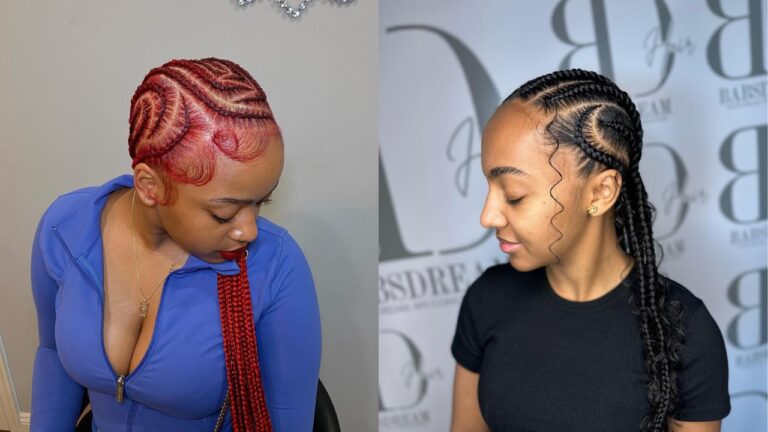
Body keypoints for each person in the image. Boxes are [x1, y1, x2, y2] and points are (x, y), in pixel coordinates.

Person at [30, 58, 321, 431]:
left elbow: (287, 422)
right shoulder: (65, 230)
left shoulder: (276, 264)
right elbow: (53, 354)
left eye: (261, 202)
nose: (249, 231)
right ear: (150, 186)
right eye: (224, 213)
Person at [450, 69, 730, 432]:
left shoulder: (686, 332)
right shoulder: (487, 300)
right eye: (489, 186)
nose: (487, 216)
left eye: (514, 195)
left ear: (600, 193)